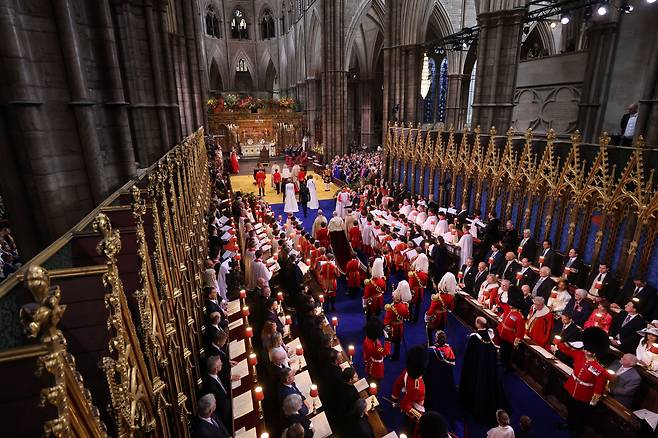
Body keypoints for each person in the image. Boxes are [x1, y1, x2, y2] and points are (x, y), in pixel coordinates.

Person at [554, 327, 610, 436]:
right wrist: (562, 342)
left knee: (581, 415)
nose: (586, 351)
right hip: (573, 387)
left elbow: (599, 386)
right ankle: (569, 424)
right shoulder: (579, 354)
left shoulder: (599, 368)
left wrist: (594, 400)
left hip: (585, 394)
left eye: (589, 350)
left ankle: (578, 431)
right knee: (570, 408)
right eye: (586, 349)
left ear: (595, 352)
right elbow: (565, 350)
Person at [459, 316, 508, 426]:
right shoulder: (490, 338)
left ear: (477, 324)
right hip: (488, 372)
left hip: (476, 371)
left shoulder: (474, 338)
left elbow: (468, 358)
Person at [391, 346, 428, 434]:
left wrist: (395, 397)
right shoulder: (418, 387)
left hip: (410, 396)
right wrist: (419, 416)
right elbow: (405, 405)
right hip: (416, 408)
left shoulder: (407, 371)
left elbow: (398, 382)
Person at [201, 356, 232, 432]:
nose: (222, 364)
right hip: (226, 415)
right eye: (220, 364)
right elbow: (221, 403)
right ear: (215, 369)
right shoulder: (210, 385)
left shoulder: (215, 374)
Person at [497, 295, 526, 372]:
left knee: (507, 354)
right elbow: (500, 303)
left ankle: (507, 367)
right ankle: (502, 362)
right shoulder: (508, 309)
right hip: (502, 333)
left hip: (509, 337)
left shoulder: (519, 317)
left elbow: (520, 330)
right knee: (502, 350)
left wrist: (517, 339)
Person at [384, 281, 412, 360]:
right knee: (397, 343)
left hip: (393, 328)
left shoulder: (391, 308)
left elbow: (387, 321)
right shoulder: (405, 306)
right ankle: (397, 355)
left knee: (389, 340)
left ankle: (388, 352)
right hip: (400, 326)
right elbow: (407, 316)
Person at [362, 317, 391, 383]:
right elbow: (387, 352)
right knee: (375, 382)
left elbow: (365, 353)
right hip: (376, 367)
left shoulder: (368, 338)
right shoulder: (376, 347)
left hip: (370, 362)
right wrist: (387, 339)